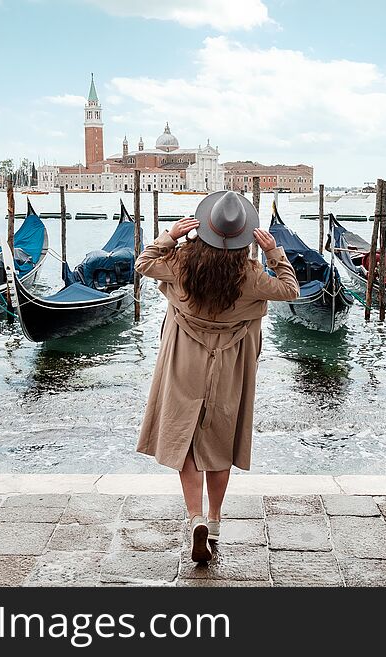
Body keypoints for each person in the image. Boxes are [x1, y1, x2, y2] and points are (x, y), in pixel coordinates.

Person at [135, 190, 299, 562]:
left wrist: (171, 236)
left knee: (184, 438)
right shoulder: (252, 275)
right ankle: (215, 519)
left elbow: (143, 263)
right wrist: (274, 252)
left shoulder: (179, 264)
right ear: (245, 235)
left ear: (203, 227)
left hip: (182, 360)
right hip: (230, 364)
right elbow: (291, 290)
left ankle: (195, 516)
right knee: (221, 439)